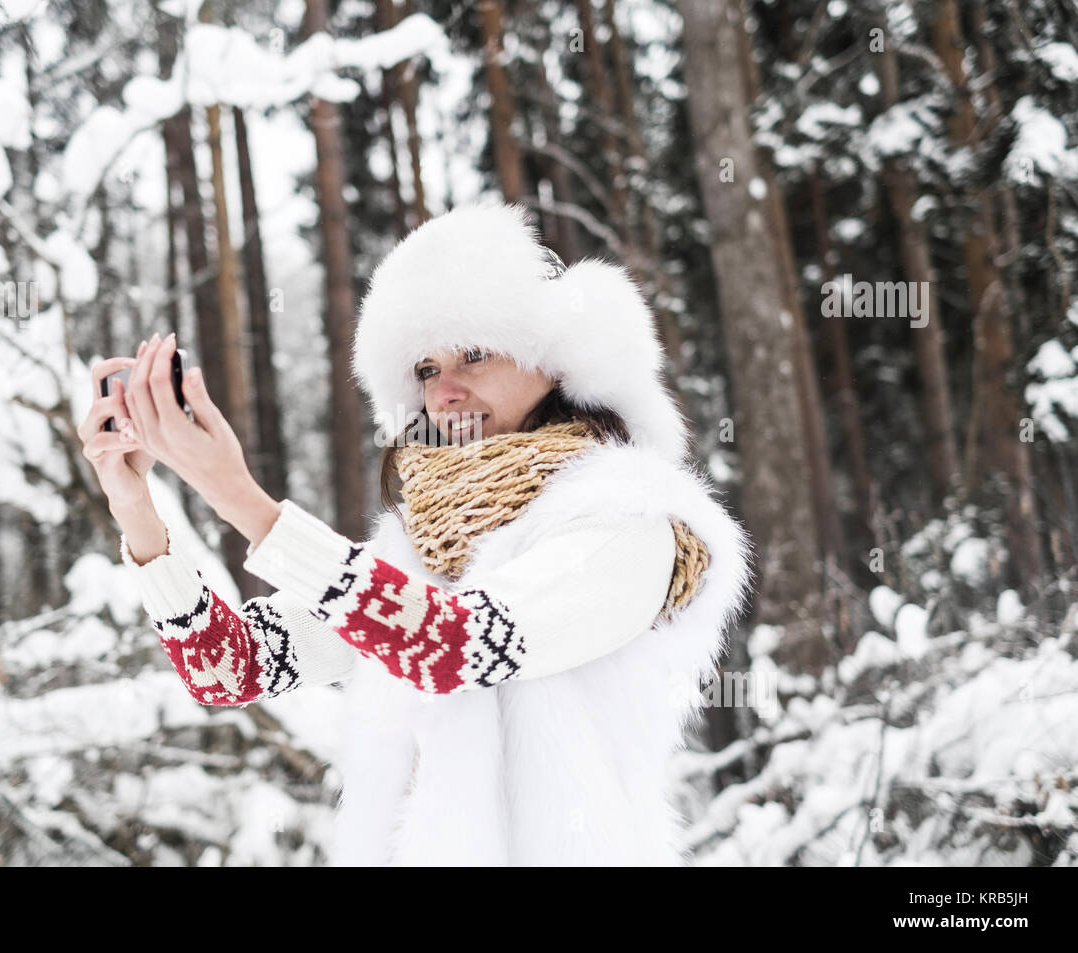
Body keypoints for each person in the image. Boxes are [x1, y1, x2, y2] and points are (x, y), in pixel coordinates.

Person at [77, 199, 754, 866]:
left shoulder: (631, 524)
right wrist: (134, 502)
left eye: (473, 355)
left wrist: (237, 495)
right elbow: (229, 669)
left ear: (560, 362)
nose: (443, 392)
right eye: (427, 369)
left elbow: (453, 646)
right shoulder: (422, 554)